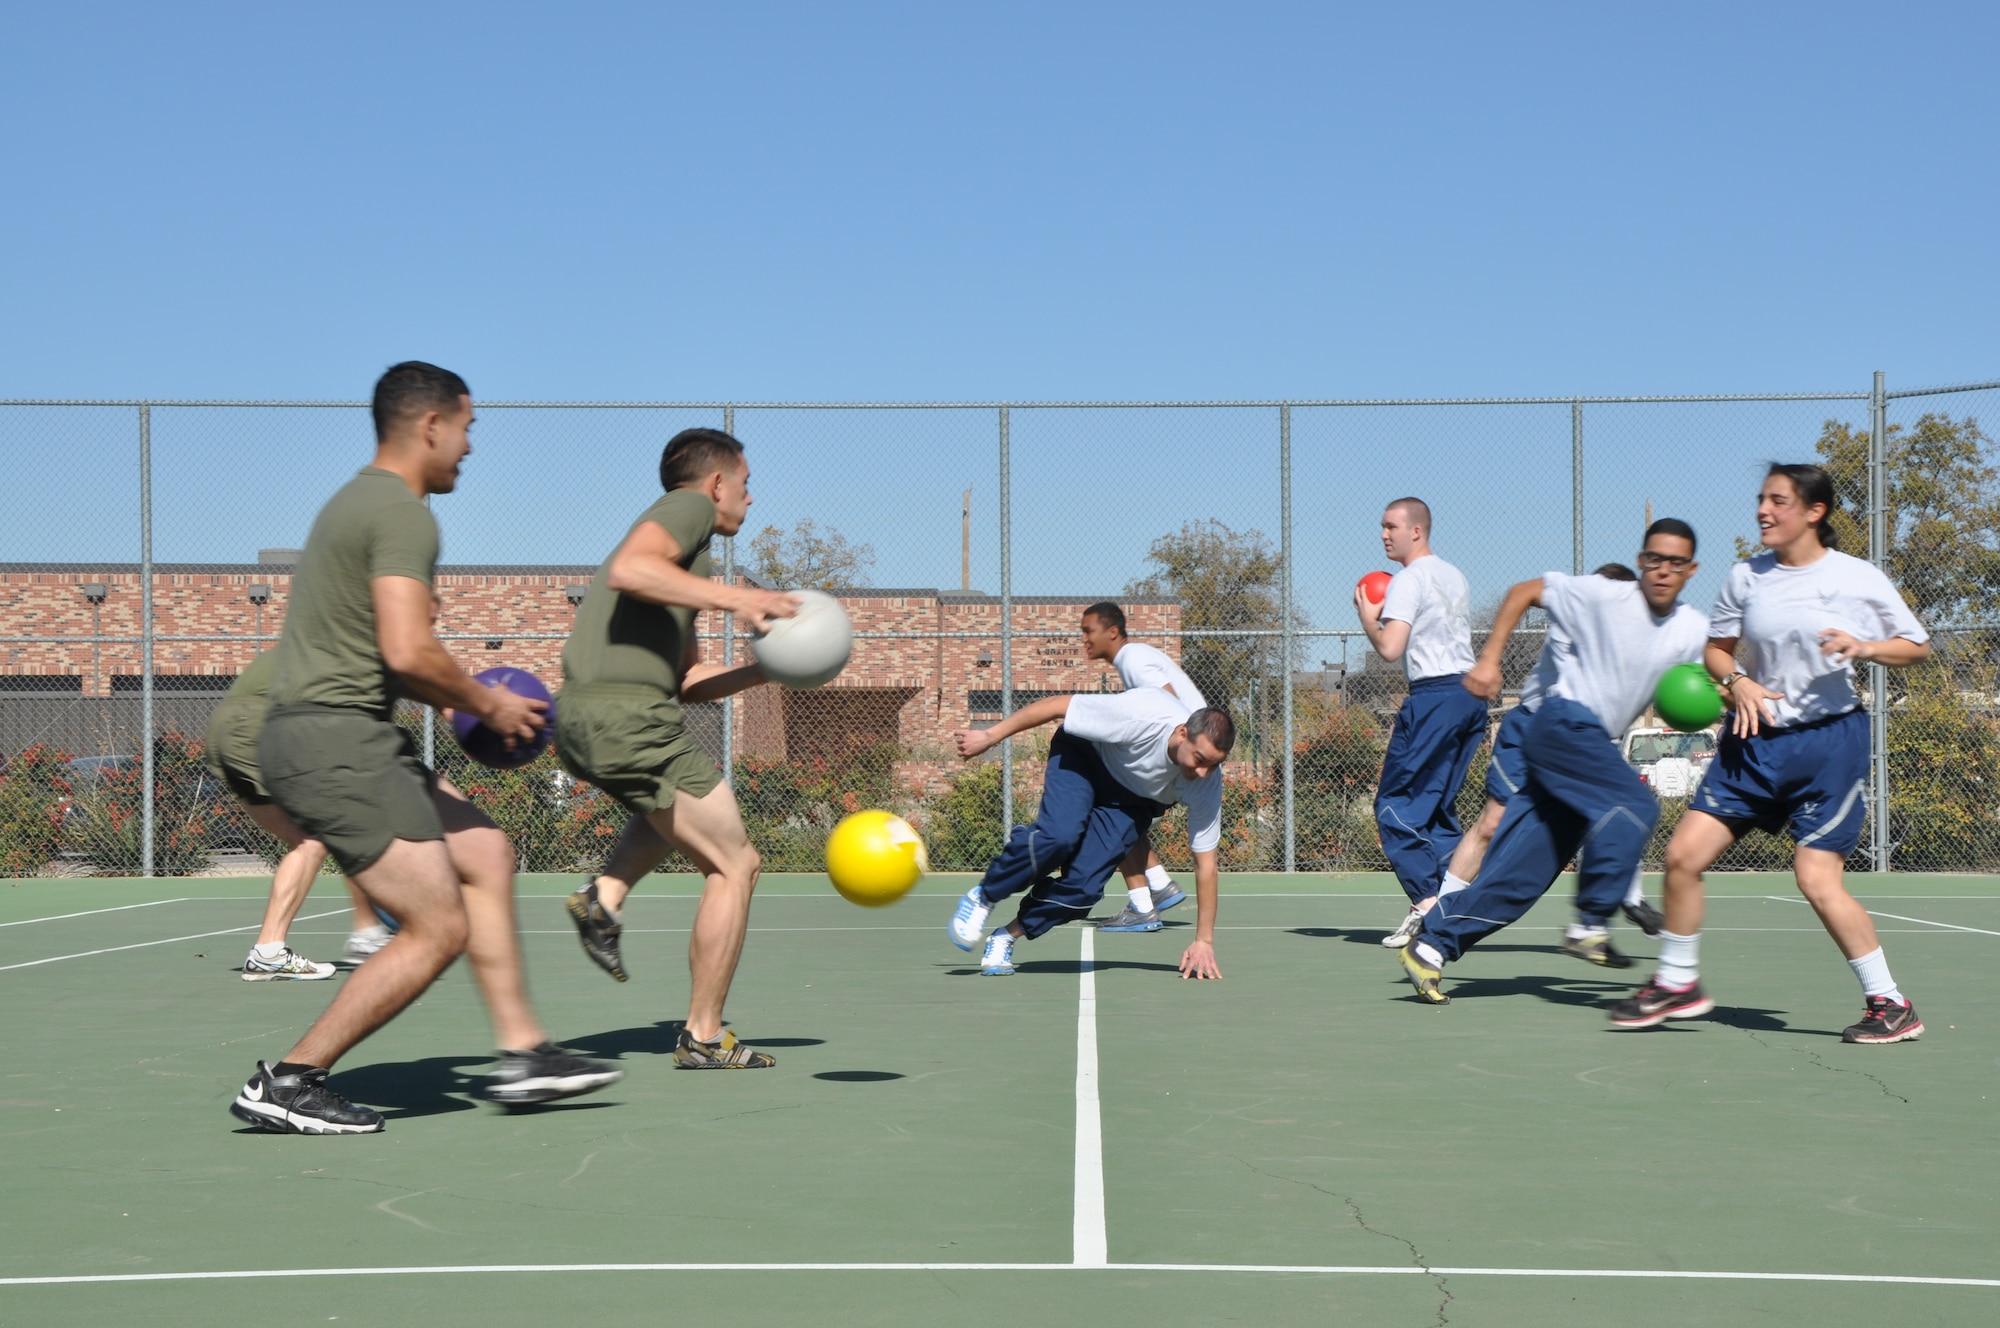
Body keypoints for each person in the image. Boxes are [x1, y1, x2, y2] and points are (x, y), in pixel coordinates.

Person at [229, 362, 621, 1135]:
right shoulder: (405, 513)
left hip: (340, 732)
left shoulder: (353, 500)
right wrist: (487, 701)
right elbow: (409, 650)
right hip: (335, 741)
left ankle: (524, 1055)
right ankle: (291, 1079)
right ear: (430, 425)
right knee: (439, 926)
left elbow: (379, 647)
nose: (470, 447)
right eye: (468, 428)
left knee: (485, 853)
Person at [1609, 465, 1931, 1044]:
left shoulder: (1856, 578)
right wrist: (1737, 682)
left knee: (1816, 878)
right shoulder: (1745, 577)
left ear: (1814, 511)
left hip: (1827, 747)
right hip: (1752, 743)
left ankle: (1890, 1002)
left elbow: (1916, 646)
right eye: (1761, 499)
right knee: (1682, 857)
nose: (1763, 510)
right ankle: (1678, 982)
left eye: (1778, 501)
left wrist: (1865, 646)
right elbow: (1715, 651)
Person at [557, 427, 799, 1070]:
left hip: (591, 716)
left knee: (673, 813)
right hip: (627, 717)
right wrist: (740, 598)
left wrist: (768, 672)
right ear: (717, 483)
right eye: (746, 485)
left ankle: (602, 898)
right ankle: (703, 1034)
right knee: (736, 865)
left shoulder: (688, 566)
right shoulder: (688, 510)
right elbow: (631, 569)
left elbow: (686, 682)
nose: (751, 498)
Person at [1398, 520, 1707, 1004]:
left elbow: (1699, 683)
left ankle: (1432, 945)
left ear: (1691, 570)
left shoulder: (1693, 629)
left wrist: (1729, 694)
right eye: (1653, 559)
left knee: (1524, 875)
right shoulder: (1605, 594)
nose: (1662, 571)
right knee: (1636, 805)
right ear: (1641, 560)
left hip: (1587, 744)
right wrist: (1489, 660)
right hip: (1561, 723)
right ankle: (1591, 922)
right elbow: (1524, 591)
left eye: (1675, 563)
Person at [1452, 564, 1667, 969]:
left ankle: (1628, 897)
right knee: (1492, 825)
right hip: (1535, 728)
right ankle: (1438, 910)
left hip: (1577, 737)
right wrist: (1489, 660)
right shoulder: (1580, 622)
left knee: (1616, 810)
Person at [946, 687, 1233, 979]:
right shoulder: (1142, 716)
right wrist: (990, 735)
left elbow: (1206, 865)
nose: (1203, 772)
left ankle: (1004, 937)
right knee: (1058, 837)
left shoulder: (1206, 783)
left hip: (1131, 801)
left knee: (1085, 889)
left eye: (1213, 764)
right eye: (1199, 759)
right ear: (1182, 733)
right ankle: (984, 896)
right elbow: (1055, 705)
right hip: (1084, 758)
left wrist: (1204, 940)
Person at [204, 646, 391, 980]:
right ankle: (364, 934)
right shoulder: (344, 650)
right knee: (329, 829)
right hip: (259, 726)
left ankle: (272, 952)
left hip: (224, 726)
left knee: (307, 840)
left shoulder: (306, 640)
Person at [1355, 497, 1489, 948]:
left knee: (1394, 806)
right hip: (1468, 697)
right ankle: (1454, 902)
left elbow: (1390, 649)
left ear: (1417, 531)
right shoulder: (1454, 574)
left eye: (1390, 525)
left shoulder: (1409, 579)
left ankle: (1428, 905)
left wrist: (1367, 619)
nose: (1383, 534)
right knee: (1435, 810)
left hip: (1434, 697)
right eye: (1382, 526)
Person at [1077, 601, 1204, 931]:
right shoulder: (1135, 658)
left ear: (1113, 632)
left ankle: (1143, 904)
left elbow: (1169, 706)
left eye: (1089, 631)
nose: (1084, 639)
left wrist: (1187, 758)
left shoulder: (1132, 659)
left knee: (1111, 807)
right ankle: (1158, 885)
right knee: (1118, 807)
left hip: (1181, 758)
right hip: (1184, 755)